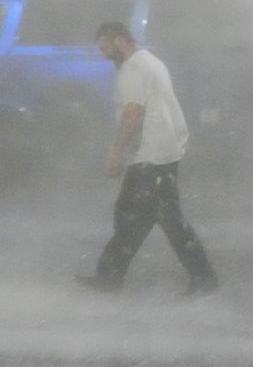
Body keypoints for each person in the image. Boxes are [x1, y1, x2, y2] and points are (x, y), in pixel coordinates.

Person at [76, 21, 219, 295]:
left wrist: (114, 152)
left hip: (151, 157)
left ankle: (204, 279)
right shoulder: (150, 61)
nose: (105, 56)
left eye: (106, 48)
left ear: (119, 41)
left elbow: (133, 113)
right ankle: (109, 276)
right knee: (133, 216)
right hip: (160, 154)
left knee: (165, 221)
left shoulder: (134, 68)